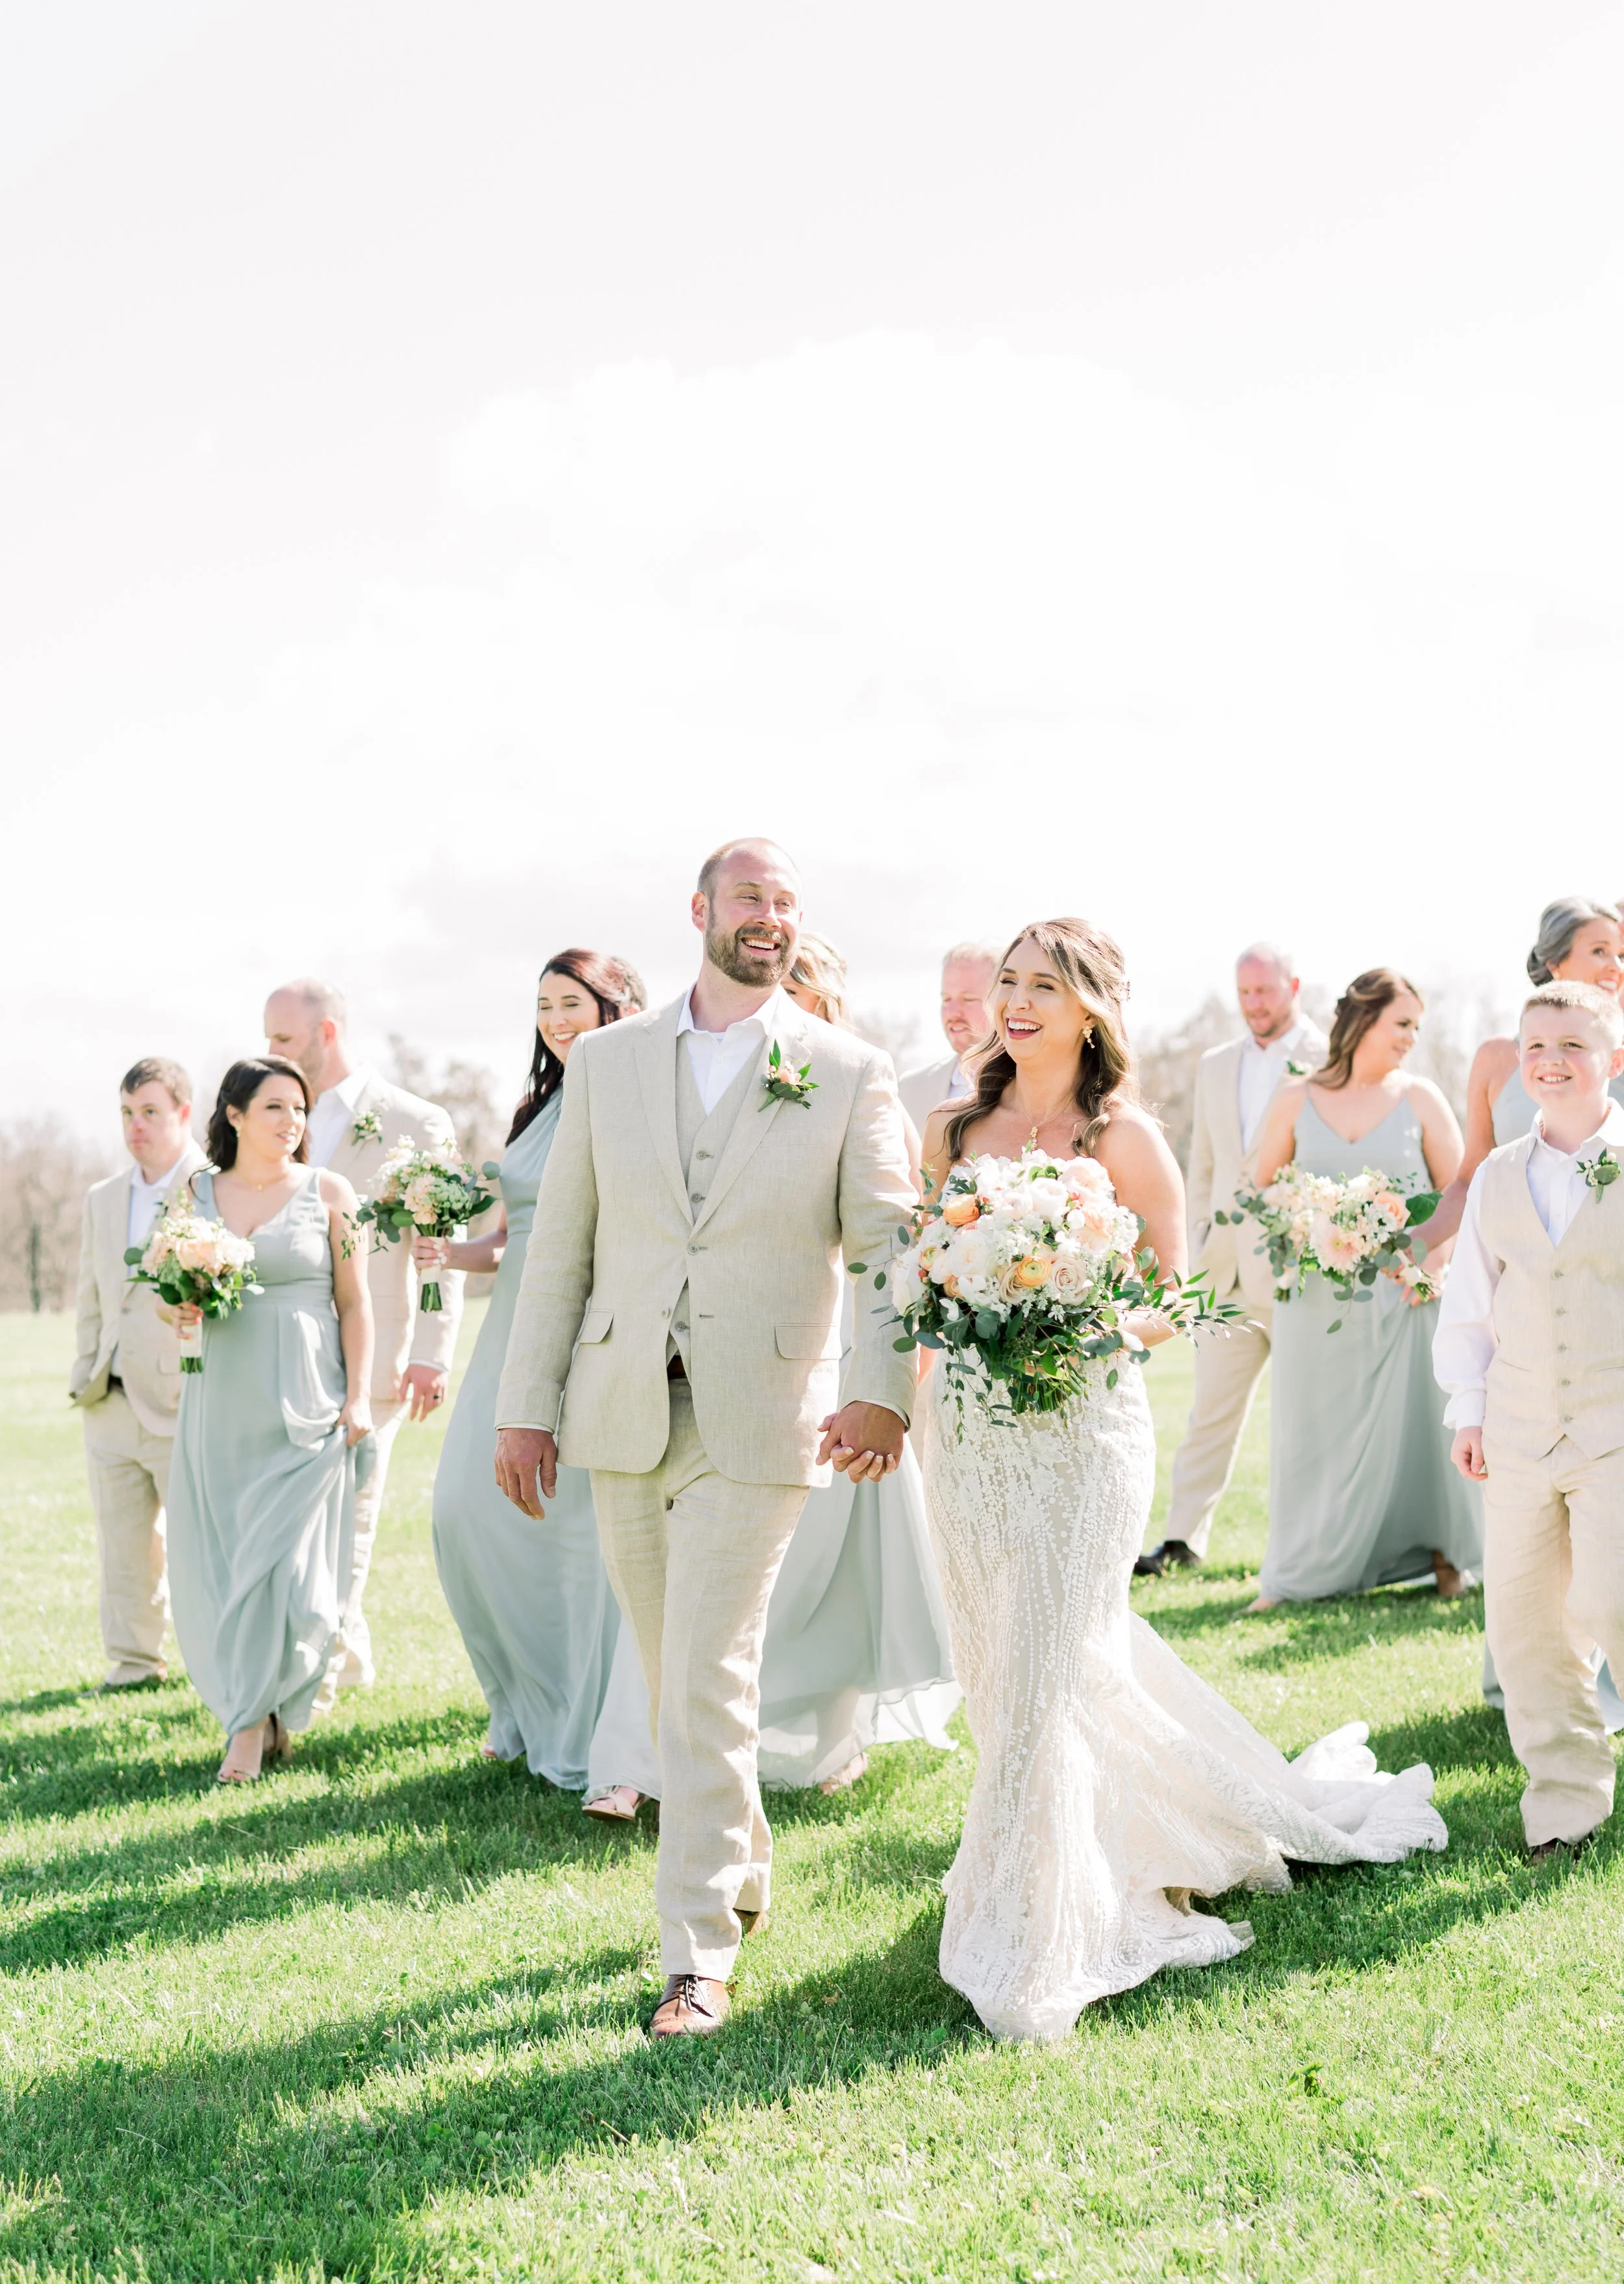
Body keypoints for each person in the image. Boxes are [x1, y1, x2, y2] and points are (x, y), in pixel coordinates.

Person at [920, 920, 1446, 2044]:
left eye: (1042, 987)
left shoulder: (1129, 1139)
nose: (1015, 1004)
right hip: (969, 1439)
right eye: (1007, 984)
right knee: (1007, 1676)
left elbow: (1182, 1296)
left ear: (1091, 1009)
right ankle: (1143, 1842)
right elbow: (924, 1279)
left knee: (1055, 1669)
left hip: (1084, 1436)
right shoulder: (952, 1129)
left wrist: (1079, 1314)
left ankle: (1028, 1929)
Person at [494, 838, 917, 2040]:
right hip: (620, 1408)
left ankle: (698, 1955)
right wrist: (526, 1405)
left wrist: (882, 1389)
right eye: (749, 899)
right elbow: (562, 1248)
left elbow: (888, 1246)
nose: (769, 918)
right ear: (701, 912)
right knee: (680, 1670)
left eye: (786, 903)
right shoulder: (610, 1064)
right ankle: (741, 1870)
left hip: (762, 1415)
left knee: (708, 1675)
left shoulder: (845, 1069)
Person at [420, 951, 644, 1792]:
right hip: (510, 1331)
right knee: (462, 1513)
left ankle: (596, 1723)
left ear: (613, 1007)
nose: (555, 1018)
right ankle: (519, 1697)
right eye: (545, 1003)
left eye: (572, 1001)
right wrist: (447, 1250)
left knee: (581, 1531)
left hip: (591, 1328)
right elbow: (518, 1235)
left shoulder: (630, 1097)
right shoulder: (534, 1105)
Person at [1414, 897, 1624, 1726]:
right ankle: (1561, 1791)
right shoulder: (1503, 1146)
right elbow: (1470, 1279)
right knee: (1526, 1610)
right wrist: (1469, 1410)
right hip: (1523, 1410)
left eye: (1572, 1045)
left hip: (1613, 1407)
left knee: (1612, 1590)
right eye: (1535, 1048)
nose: (1551, 1060)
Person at [1245, 969, 1482, 1612]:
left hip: (1403, 1294)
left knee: (1419, 1433)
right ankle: (1295, 1570)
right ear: (1363, 1019)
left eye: (1415, 1025)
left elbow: (1461, 1191)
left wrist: (1432, 1263)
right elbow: (1259, 1183)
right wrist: (1305, 1211)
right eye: (1401, 1022)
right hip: (1315, 1299)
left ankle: (1442, 1556)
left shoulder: (1421, 1097)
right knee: (1311, 1432)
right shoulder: (1297, 1095)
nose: (1410, 1037)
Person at [165, 1058, 373, 1782]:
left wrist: (358, 1396)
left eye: (300, 1109)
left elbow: (356, 1303)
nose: (293, 1123)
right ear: (234, 1115)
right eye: (276, 1108)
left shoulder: (332, 1192)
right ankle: (255, 1715)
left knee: (291, 1571)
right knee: (234, 1564)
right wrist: (179, 1301)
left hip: (309, 1401)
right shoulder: (194, 1193)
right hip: (219, 1397)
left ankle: (255, 1722)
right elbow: (165, 1290)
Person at [264, 979, 464, 1705]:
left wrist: (433, 1349)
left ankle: (310, 1688)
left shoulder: (415, 1120)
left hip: (377, 1355)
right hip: (285, 1357)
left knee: (350, 1518)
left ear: (326, 1032)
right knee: (299, 1522)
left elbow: (439, 1247)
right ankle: (345, 1658)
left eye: (282, 1039)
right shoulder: (273, 1120)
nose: (270, 1052)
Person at [1137, 944, 1326, 1576]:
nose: (1254, 1005)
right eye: (1245, 993)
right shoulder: (1216, 1063)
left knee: (1309, 1419)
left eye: (1265, 992)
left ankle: (1312, 1541)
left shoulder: (1330, 1058)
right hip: (1223, 1273)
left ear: (1293, 985)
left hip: (1301, 1272)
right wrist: (1194, 1239)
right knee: (1207, 1413)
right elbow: (1206, 1164)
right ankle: (1182, 1538)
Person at [69, 1059, 207, 1689]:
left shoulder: (214, 1188)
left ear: (183, 1112)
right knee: (122, 1544)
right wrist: (85, 1371)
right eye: (127, 1113)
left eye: (150, 1111)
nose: (136, 1126)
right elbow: (91, 1295)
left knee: (201, 1544)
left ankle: (213, 1661)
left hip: (186, 1395)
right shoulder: (102, 1197)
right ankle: (131, 1663)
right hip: (109, 1397)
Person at [1419, 897, 1623, 1248]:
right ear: (1555, 962)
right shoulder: (1496, 1060)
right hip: (1520, 1281)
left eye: (1620, 955)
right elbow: (1469, 1181)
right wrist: (1410, 1246)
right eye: (1601, 952)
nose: (1616, 966)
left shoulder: (1617, 1056)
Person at [899, 942, 1000, 1132]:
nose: (953, 1012)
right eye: (946, 999)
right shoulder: (910, 1088)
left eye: (968, 999)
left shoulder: (1036, 1085)